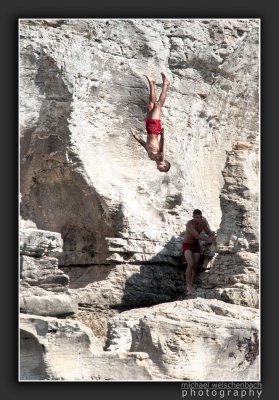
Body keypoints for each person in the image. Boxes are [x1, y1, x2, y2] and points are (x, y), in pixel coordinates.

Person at [130, 72, 171, 172]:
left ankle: (152, 83)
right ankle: (166, 84)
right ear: (164, 165)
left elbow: (144, 145)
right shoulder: (160, 157)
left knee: (150, 105)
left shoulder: (152, 158)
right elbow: (162, 145)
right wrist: (162, 134)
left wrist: (135, 136)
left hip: (149, 130)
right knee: (158, 106)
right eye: (162, 170)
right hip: (155, 130)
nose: (160, 170)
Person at [182, 209, 215, 295]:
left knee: (195, 267)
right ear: (193, 217)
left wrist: (212, 235)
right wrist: (208, 239)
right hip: (187, 245)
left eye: (200, 217)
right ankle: (188, 285)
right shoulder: (189, 224)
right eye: (197, 217)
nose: (199, 219)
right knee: (191, 264)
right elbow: (196, 236)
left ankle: (191, 285)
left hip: (196, 245)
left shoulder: (203, 222)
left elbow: (208, 231)